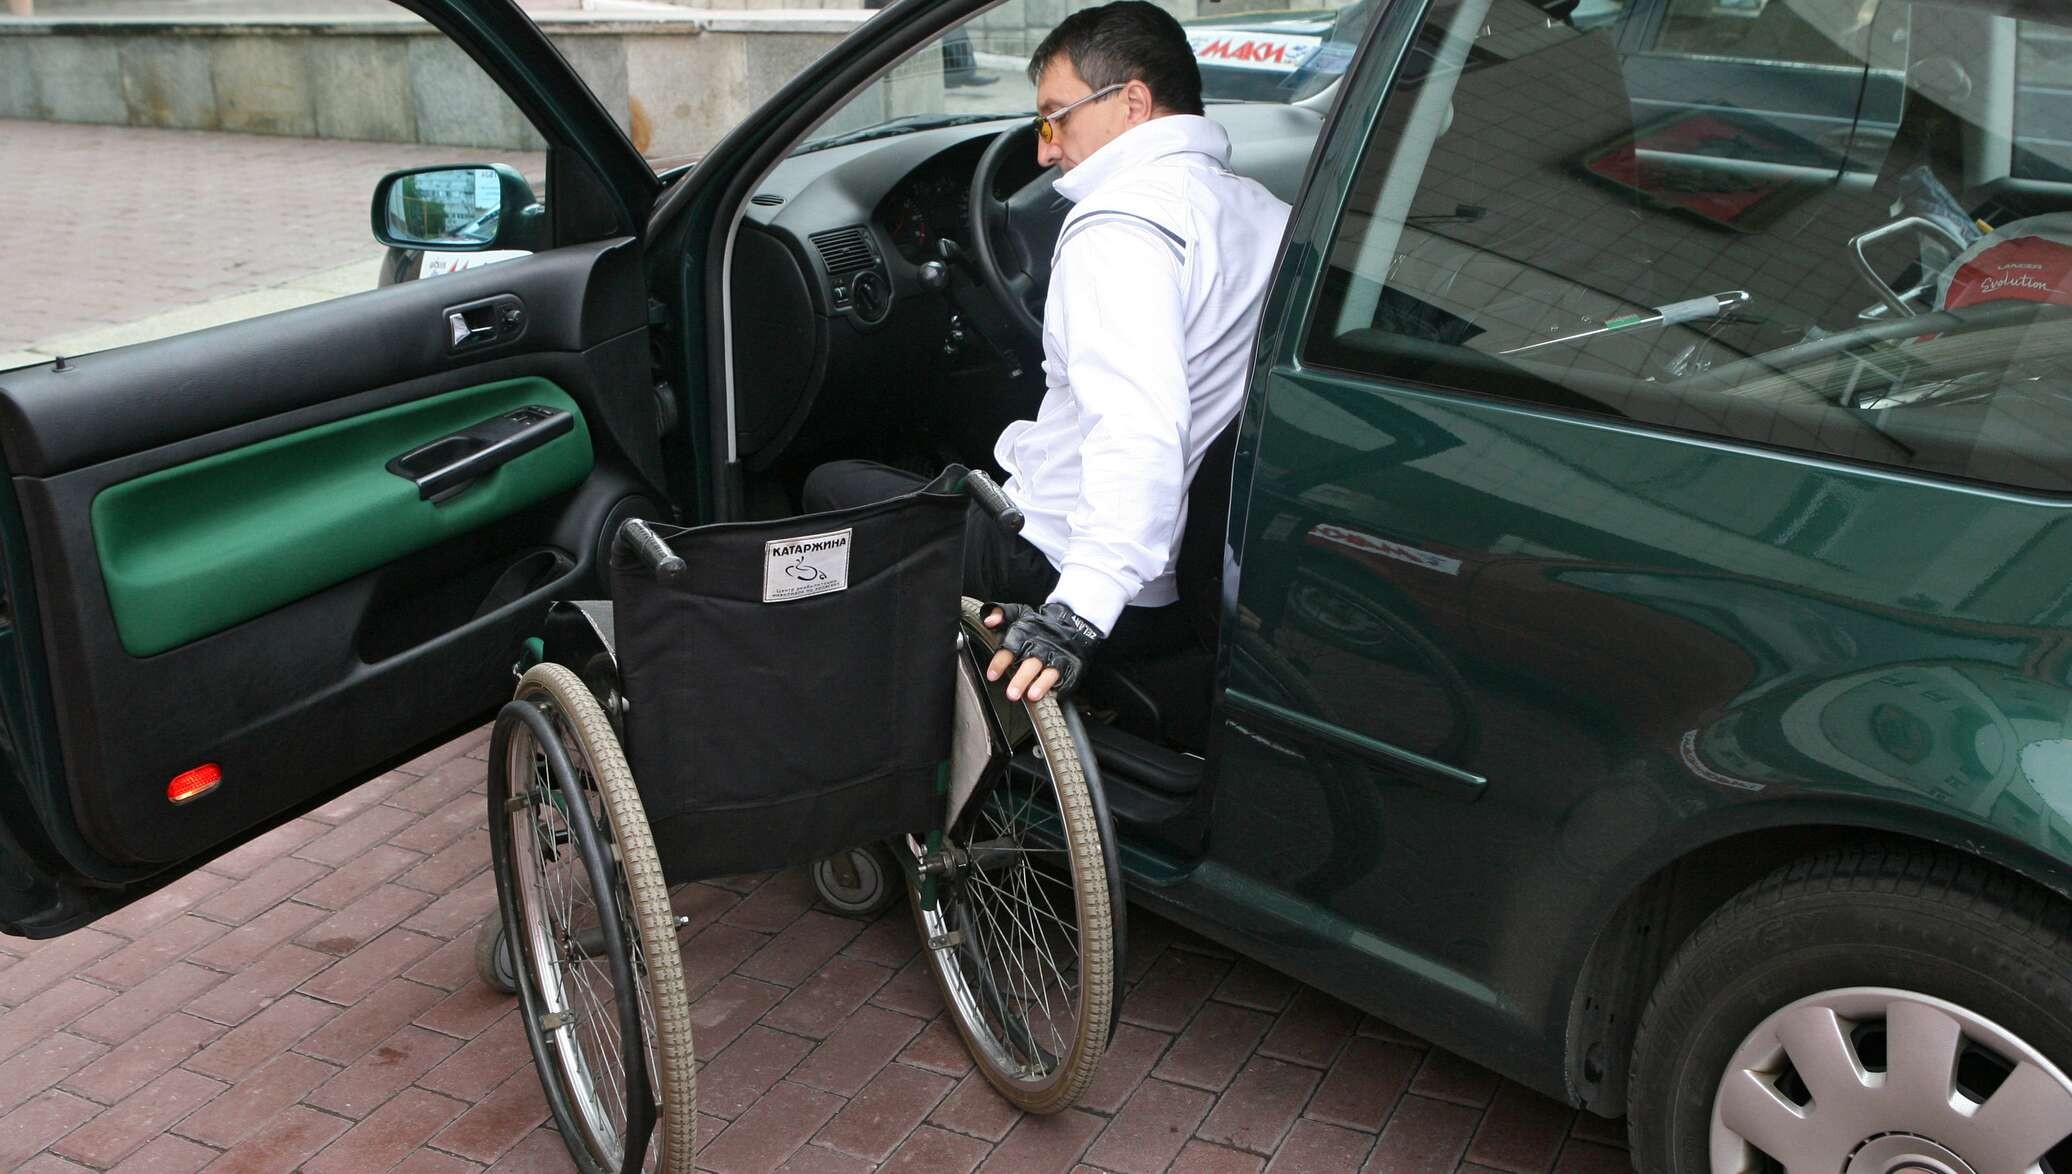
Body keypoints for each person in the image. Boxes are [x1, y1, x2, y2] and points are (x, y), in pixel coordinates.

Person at [804, 1, 1290, 703]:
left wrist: (1076, 614)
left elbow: (1136, 428)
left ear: (1131, 103)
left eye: (1055, 117)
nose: (1044, 149)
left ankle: (878, 709)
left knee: (829, 487)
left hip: (1064, 568)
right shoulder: (1261, 210)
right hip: (1185, 567)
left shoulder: (1117, 230)